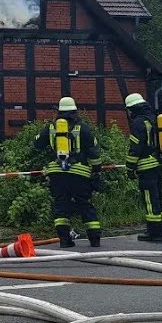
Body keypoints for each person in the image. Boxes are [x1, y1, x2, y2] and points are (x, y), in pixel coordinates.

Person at [35, 97, 103, 248]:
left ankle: (64, 240)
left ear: (59, 112)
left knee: (61, 205)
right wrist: (97, 172)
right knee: (85, 204)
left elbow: (37, 143)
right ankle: (95, 240)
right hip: (80, 174)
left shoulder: (52, 127)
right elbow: (93, 151)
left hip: (57, 174)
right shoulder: (82, 128)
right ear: (74, 111)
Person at [124, 92, 162, 242]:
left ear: (133, 108)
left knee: (150, 200)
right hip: (158, 163)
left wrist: (130, 167)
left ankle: (154, 233)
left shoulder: (138, 123)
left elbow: (135, 147)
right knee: (158, 197)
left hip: (146, 166)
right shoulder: (153, 119)